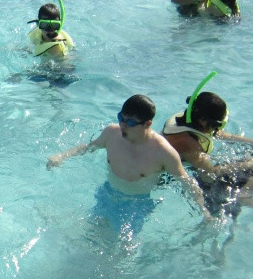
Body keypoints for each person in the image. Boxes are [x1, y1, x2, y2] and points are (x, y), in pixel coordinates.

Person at [47, 95, 212, 233]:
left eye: (130, 123)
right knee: (91, 233)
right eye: (121, 118)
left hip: (137, 204)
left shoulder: (164, 153)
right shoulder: (112, 133)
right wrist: (62, 156)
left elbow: (186, 181)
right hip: (107, 192)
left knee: (122, 252)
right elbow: (89, 147)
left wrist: (204, 211)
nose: (123, 125)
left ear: (147, 124)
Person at [161, 91, 253, 180]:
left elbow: (218, 134)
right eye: (217, 125)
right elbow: (211, 172)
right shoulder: (188, 142)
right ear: (203, 120)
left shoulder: (190, 118)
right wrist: (252, 164)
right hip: (165, 177)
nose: (218, 128)